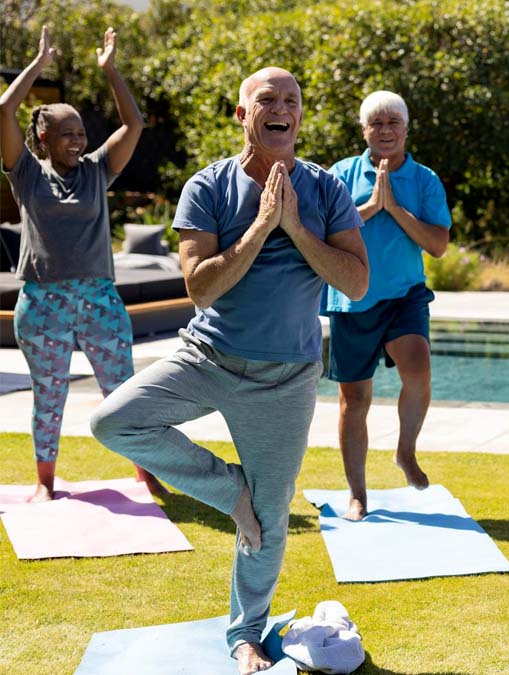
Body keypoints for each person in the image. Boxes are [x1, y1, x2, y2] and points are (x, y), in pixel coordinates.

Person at [90, 67, 369, 674]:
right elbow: (200, 289)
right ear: (242, 115)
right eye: (266, 100)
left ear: (299, 116)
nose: (281, 108)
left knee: (268, 528)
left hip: (287, 376)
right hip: (207, 357)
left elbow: (356, 280)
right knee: (114, 422)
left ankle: (244, 635)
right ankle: (229, 490)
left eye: (292, 100)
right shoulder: (207, 187)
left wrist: (294, 225)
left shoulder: (324, 190)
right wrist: (262, 226)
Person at [0, 26, 163, 501]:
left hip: (98, 297)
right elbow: (4, 111)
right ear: (44, 137)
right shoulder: (26, 173)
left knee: (124, 392)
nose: (78, 140)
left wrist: (110, 70)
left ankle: (144, 475)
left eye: (82, 133)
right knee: (49, 397)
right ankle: (45, 484)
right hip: (43, 301)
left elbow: (133, 125)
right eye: (67, 134)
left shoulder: (97, 170)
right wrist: (37, 64)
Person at [325, 90, 451, 520]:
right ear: (364, 131)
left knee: (418, 368)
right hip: (352, 297)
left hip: (405, 295)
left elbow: (438, 245)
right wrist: (371, 207)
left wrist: (394, 208)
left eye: (392, 122)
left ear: (406, 129)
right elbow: (322, 235)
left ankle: (405, 451)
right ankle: (357, 493)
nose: (384, 131)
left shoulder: (424, 179)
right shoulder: (340, 174)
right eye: (376, 124)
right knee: (354, 400)